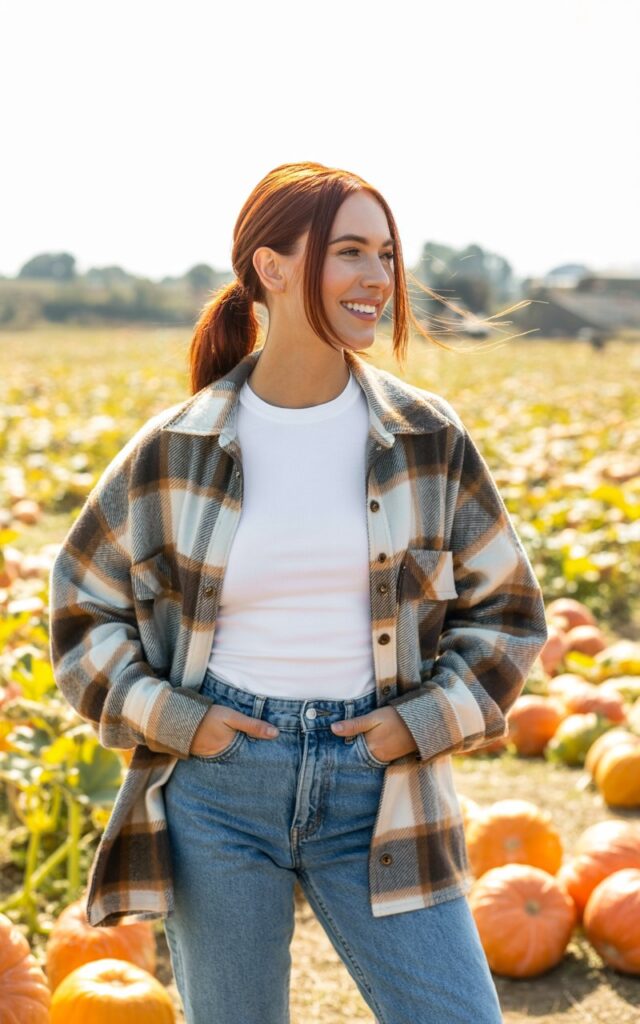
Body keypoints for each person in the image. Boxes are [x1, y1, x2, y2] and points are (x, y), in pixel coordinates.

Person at [49, 161, 548, 1024]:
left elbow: (508, 616)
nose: (378, 279)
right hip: (220, 783)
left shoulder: (426, 438)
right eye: (349, 251)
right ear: (271, 268)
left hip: (380, 783)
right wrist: (177, 720)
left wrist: (420, 722)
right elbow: (79, 610)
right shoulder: (179, 445)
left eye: (386, 254)